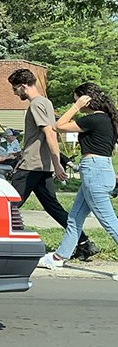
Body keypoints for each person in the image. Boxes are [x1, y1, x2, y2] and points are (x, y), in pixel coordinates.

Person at [8, 68, 98, 261]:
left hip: (32, 166)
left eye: (15, 89)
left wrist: (58, 164)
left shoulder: (36, 105)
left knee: (9, 205)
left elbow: (50, 133)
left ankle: (3, 244)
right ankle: (84, 243)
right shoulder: (46, 102)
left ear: (24, 86)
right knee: (53, 207)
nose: (15, 94)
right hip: (42, 166)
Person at [38, 83, 118, 269]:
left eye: (77, 99)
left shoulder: (95, 119)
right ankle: (58, 257)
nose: (75, 103)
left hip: (94, 172)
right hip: (99, 171)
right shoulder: (108, 120)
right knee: (74, 218)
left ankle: (59, 257)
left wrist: (75, 107)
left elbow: (58, 126)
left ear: (86, 100)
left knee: (109, 222)